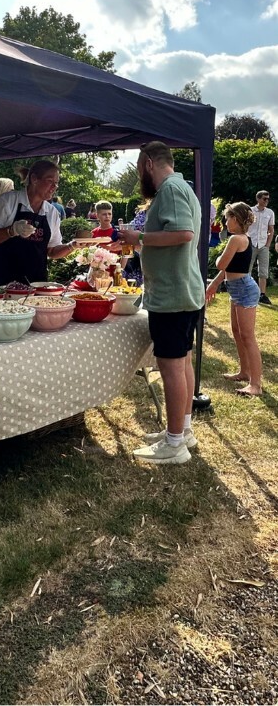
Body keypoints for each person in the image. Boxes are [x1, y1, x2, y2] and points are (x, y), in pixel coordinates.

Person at [118, 141, 205, 466]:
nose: (141, 174)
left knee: (171, 367)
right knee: (181, 363)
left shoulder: (170, 189)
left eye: (140, 167)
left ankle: (173, 444)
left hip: (172, 296)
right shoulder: (182, 188)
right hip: (182, 292)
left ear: (149, 162)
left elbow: (182, 234)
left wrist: (137, 238)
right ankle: (182, 431)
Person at [0, 160, 76, 286]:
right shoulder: (8, 201)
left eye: (56, 183)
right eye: (50, 181)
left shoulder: (52, 212)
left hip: (34, 285)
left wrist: (73, 245)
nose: (54, 187)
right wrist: (11, 231)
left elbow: (51, 251)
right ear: (34, 179)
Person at [205, 202, 262, 397]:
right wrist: (213, 284)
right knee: (237, 332)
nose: (225, 222)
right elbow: (229, 269)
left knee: (248, 336)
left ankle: (256, 385)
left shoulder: (236, 239)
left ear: (235, 219)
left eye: (227, 218)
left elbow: (221, 263)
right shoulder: (241, 238)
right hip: (237, 289)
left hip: (244, 290)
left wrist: (221, 253)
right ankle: (244, 372)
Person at [247, 190, 274, 305]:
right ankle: (247, 292)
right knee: (247, 268)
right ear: (258, 199)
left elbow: (271, 230)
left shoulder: (270, 212)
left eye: (268, 199)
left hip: (263, 245)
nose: (266, 201)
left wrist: (268, 244)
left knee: (263, 271)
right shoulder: (250, 211)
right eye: (264, 199)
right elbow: (245, 225)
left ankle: (262, 294)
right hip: (251, 243)